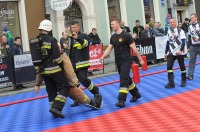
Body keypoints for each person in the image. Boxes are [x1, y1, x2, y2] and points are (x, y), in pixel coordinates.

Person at [30, 19, 71, 118]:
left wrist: (37, 83)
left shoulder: (36, 41)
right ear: (49, 29)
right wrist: (62, 67)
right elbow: (57, 58)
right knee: (65, 87)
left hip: (43, 71)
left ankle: (54, 112)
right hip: (54, 69)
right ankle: (56, 108)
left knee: (51, 90)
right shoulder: (52, 40)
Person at [100, 18, 144, 108]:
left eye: (113, 24)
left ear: (118, 24)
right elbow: (109, 49)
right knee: (127, 78)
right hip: (118, 61)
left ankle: (121, 100)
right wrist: (102, 57)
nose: (111, 26)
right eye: (111, 24)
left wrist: (140, 60)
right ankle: (136, 94)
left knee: (123, 79)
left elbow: (134, 48)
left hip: (126, 60)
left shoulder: (126, 35)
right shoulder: (113, 37)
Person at [68, 21, 102, 107]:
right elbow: (71, 51)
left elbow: (87, 44)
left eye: (74, 27)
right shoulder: (70, 37)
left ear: (78, 27)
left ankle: (95, 91)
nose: (73, 29)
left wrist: (78, 38)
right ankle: (77, 99)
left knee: (83, 79)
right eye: (72, 28)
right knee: (75, 83)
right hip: (74, 64)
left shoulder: (83, 36)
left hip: (82, 64)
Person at [164, 17, 187, 88]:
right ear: (169, 23)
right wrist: (165, 52)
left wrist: (180, 50)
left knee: (182, 66)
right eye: (170, 22)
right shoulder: (168, 31)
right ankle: (171, 83)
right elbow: (168, 43)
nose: (172, 23)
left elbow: (183, 42)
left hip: (179, 52)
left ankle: (183, 81)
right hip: (171, 53)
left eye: (173, 22)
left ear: (175, 22)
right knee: (169, 67)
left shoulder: (180, 31)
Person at [186, 13, 200, 80]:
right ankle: (190, 75)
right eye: (191, 18)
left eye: (193, 17)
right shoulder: (189, 27)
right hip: (193, 46)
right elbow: (189, 37)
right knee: (191, 61)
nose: (191, 19)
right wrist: (188, 47)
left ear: (196, 17)